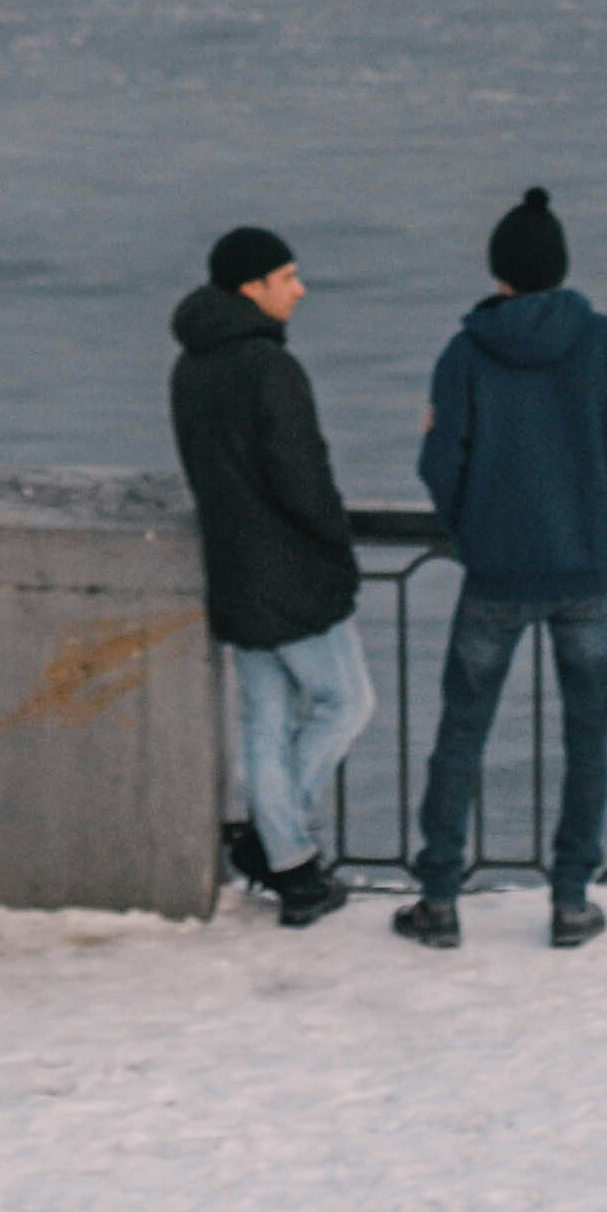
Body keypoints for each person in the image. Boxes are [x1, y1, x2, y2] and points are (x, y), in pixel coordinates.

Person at [393, 185, 607, 956]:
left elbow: (440, 462)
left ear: (499, 271)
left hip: (497, 575)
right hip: (588, 572)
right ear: (561, 266)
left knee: (462, 733)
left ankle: (440, 896)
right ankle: (572, 899)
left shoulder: (467, 352)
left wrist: (470, 533)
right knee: (587, 738)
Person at [168, 226, 374, 928]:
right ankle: (279, 848)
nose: (300, 288)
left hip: (232, 565)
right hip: (290, 568)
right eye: (287, 277)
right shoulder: (268, 368)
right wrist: (335, 542)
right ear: (251, 288)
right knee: (345, 705)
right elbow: (302, 476)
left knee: (263, 719)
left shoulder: (190, 367)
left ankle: (287, 863)